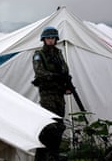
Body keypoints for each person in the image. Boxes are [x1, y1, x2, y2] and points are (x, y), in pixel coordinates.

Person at [32, 26, 71, 161]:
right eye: (48, 38)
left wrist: (66, 83)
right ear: (44, 39)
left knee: (59, 124)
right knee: (49, 126)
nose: (50, 40)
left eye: (53, 38)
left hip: (59, 94)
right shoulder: (39, 54)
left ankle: (53, 154)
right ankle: (43, 156)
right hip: (47, 94)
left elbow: (65, 69)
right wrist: (55, 76)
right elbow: (39, 72)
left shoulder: (58, 53)